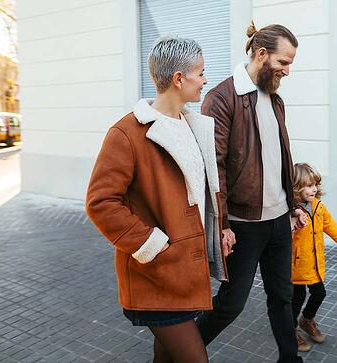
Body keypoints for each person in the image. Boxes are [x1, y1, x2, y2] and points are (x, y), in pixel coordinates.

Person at [85, 36, 229, 363]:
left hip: (186, 273)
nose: (206, 80)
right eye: (201, 72)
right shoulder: (127, 133)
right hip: (157, 273)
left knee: (165, 358)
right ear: (179, 78)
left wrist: (220, 228)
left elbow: (203, 190)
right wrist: (151, 243)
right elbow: (101, 202)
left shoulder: (195, 126)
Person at [195, 21, 306, 363]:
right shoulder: (222, 98)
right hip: (242, 225)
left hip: (278, 221)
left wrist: (293, 205)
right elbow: (214, 168)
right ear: (261, 55)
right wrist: (223, 223)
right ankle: (179, 351)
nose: (288, 70)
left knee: (283, 297)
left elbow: (279, 159)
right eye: (283, 62)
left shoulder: (275, 100)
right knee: (232, 304)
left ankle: (290, 358)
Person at [290, 163, 337, 352]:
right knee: (296, 298)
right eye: (309, 185)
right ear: (297, 187)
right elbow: (283, 234)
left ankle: (307, 320)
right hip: (297, 265)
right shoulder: (291, 210)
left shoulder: (318, 207)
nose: (314, 189)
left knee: (320, 293)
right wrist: (294, 224)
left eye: (315, 184)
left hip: (315, 264)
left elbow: (329, 224)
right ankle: (291, 330)